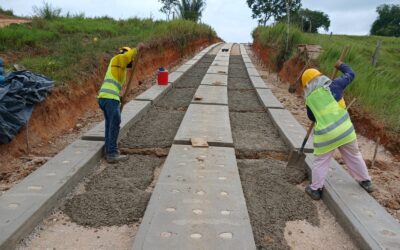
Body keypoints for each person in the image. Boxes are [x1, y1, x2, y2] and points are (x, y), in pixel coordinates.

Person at [302, 60, 373, 200]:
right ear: (320, 76)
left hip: (326, 136)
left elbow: (312, 118)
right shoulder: (335, 85)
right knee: (354, 155)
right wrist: (341, 66)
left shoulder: (309, 100)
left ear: (307, 85)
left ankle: (316, 189)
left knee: (321, 161)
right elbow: (351, 74)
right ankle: (366, 181)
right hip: (345, 131)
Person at [97, 44, 142, 163]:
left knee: (110, 124)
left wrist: (120, 97)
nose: (130, 62)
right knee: (115, 124)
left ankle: (109, 150)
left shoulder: (119, 68)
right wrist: (137, 49)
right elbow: (125, 57)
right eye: (130, 59)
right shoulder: (117, 59)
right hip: (109, 99)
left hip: (107, 98)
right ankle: (112, 153)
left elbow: (113, 85)